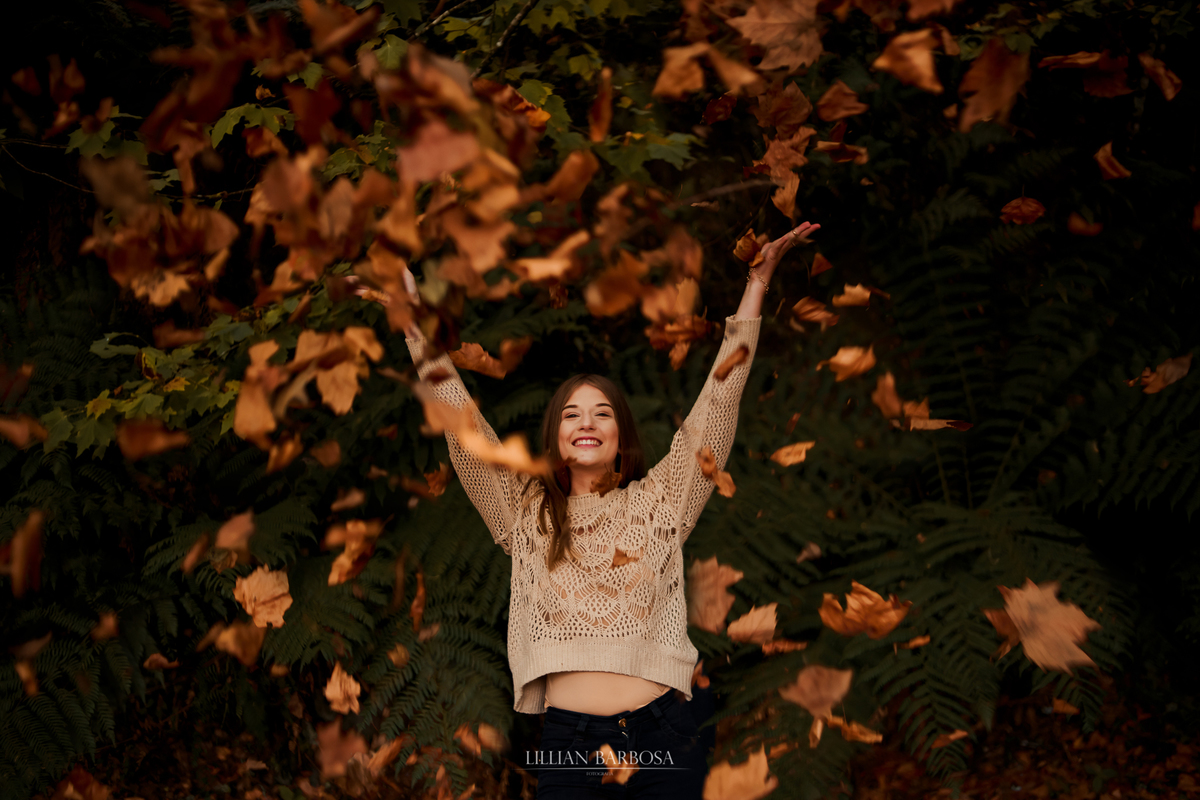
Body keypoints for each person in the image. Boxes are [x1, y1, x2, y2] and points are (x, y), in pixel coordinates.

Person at [364, 221, 819, 798]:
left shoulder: (661, 501)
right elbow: (462, 427)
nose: (586, 423)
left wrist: (755, 287)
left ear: (620, 434)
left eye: (602, 412)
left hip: (663, 735)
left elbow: (717, 407)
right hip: (568, 741)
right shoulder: (524, 513)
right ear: (555, 435)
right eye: (572, 414)